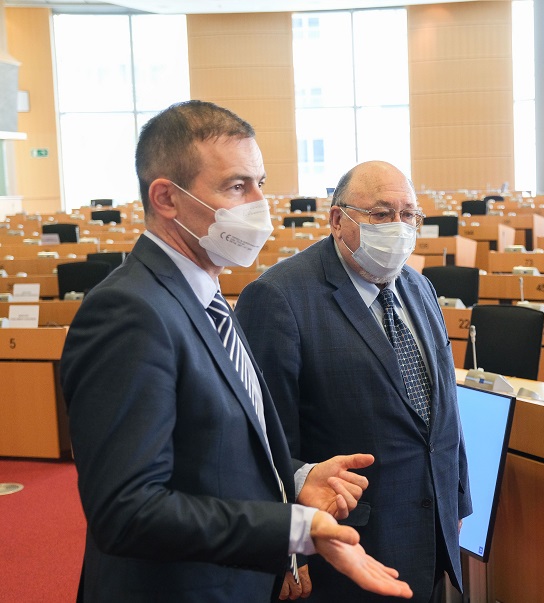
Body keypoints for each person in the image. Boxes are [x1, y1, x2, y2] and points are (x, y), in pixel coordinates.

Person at [61, 101, 413, 602]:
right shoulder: (129, 312)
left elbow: (216, 452)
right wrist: (294, 529)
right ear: (167, 198)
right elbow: (128, 511)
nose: (259, 203)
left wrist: (296, 479)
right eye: (236, 187)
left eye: (259, 183)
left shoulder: (207, 299)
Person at [235, 160, 472, 603]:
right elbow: (264, 441)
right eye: (381, 214)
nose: (398, 226)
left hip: (432, 534)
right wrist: (284, 551)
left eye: (409, 214)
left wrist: (456, 501)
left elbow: (444, 409)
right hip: (343, 549)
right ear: (337, 219)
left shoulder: (419, 287)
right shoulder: (278, 297)